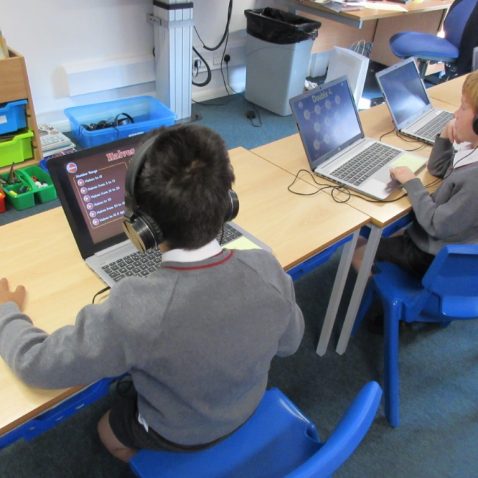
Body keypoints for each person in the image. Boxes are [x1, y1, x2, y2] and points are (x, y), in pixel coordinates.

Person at [0, 124, 304, 462]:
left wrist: (6, 312)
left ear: (140, 228)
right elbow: (290, 343)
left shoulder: (135, 308)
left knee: (106, 428)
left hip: (178, 432)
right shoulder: (266, 268)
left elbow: (36, 365)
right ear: (228, 203)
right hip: (247, 402)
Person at [353, 71, 478, 278]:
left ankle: (380, 298)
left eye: (463, 107)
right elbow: (439, 170)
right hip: (451, 242)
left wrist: (412, 183)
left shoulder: (474, 180)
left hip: (435, 257)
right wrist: (445, 135)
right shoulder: (472, 151)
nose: (455, 113)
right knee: (397, 230)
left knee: (357, 248)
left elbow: (435, 224)